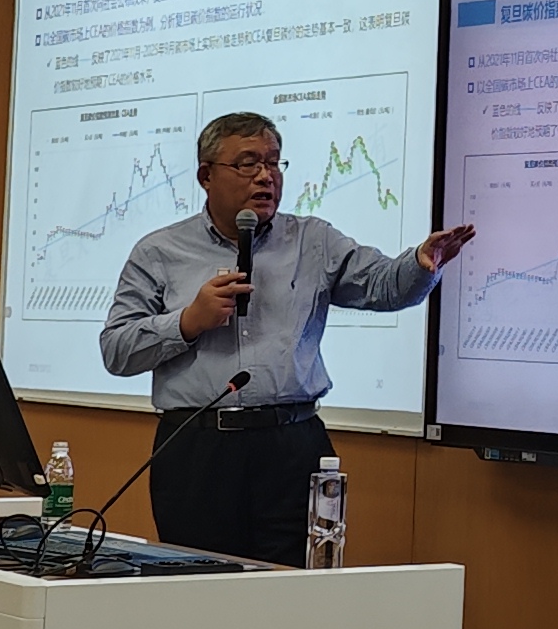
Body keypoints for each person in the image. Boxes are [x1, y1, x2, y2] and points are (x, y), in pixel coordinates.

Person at [100, 116, 472, 565]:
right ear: (205, 175)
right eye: (248, 163)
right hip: (197, 453)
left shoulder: (312, 240)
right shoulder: (159, 252)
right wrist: (187, 322)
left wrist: (420, 263)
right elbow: (116, 350)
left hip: (292, 448)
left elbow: (382, 285)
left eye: (274, 163)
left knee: (297, 588)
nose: (265, 176)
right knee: (201, 589)